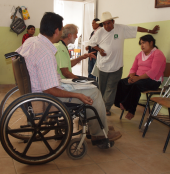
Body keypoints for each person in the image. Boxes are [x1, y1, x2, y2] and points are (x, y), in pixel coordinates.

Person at [16, 12, 122, 143]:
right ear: (56, 31)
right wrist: (77, 95)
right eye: (61, 29)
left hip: (39, 90)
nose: (61, 33)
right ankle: (99, 133)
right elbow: (50, 89)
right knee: (94, 92)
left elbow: (15, 56)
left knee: (88, 87)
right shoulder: (46, 53)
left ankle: (98, 125)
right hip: (47, 97)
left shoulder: (31, 41)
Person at [89, 11, 160, 116]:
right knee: (102, 88)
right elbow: (91, 43)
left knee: (112, 87)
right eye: (104, 24)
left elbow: (136, 28)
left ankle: (106, 108)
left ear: (113, 22)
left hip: (117, 66)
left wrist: (151, 31)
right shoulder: (100, 32)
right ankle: (99, 106)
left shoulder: (121, 28)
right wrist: (99, 49)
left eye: (108, 23)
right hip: (102, 66)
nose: (106, 26)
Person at [114, 34, 166, 120]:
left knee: (136, 85)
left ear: (151, 42)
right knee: (122, 82)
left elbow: (153, 71)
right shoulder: (140, 55)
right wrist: (131, 77)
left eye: (144, 43)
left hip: (153, 80)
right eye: (141, 43)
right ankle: (121, 103)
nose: (142, 45)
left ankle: (131, 110)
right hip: (139, 78)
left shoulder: (158, 53)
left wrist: (137, 78)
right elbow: (133, 68)